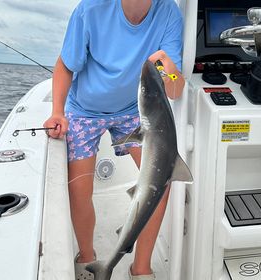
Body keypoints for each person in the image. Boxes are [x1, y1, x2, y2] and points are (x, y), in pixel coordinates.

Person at [43, 0, 184, 279]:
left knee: (162, 183)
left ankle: (141, 268)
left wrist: (167, 68)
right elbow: (65, 65)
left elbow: (176, 89)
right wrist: (57, 111)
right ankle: (87, 258)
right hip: (84, 110)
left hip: (134, 110)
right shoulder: (91, 9)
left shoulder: (168, 12)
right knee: (79, 189)